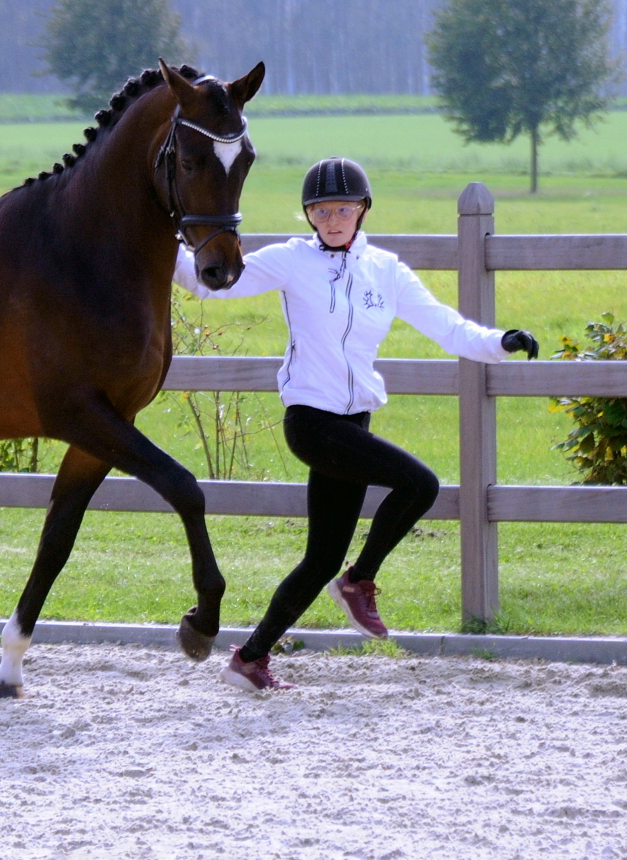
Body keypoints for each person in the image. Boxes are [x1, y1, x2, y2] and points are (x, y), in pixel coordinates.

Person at [174, 157, 539, 692]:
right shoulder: (292, 261)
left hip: (353, 424)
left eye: (344, 208)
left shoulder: (385, 270)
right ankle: (359, 580)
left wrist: (499, 342)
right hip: (312, 422)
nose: (333, 218)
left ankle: (249, 660)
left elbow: (445, 326)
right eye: (321, 210)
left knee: (319, 558)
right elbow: (214, 283)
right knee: (421, 484)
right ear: (309, 215)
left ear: (363, 209)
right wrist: (163, 248)